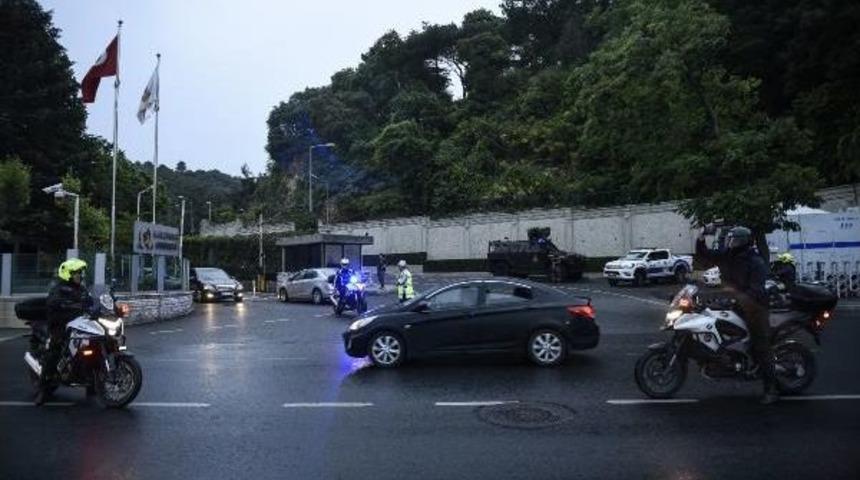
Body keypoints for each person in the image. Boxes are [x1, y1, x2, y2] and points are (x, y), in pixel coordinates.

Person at [696, 225, 779, 404]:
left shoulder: (754, 261)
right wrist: (702, 234)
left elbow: (756, 290)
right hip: (737, 302)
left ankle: (771, 387)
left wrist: (738, 298)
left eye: (733, 239)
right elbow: (705, 254)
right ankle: (727, 356)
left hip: (755, 307)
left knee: (760, 345)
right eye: (729, 239)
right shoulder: (728, 255)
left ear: (743, 241)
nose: (729, 242)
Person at [38, 258, 90, 405]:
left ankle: (93, 383)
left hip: (78, 323)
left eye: (81, 273)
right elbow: (53, 301)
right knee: (55, 349)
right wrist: (66, 304)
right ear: (68, 274)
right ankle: (43, 388)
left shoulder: (81, 289)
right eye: (78, 273)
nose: (81, 275)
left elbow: (90, 301)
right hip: (60, 324)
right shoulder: (58, 288)